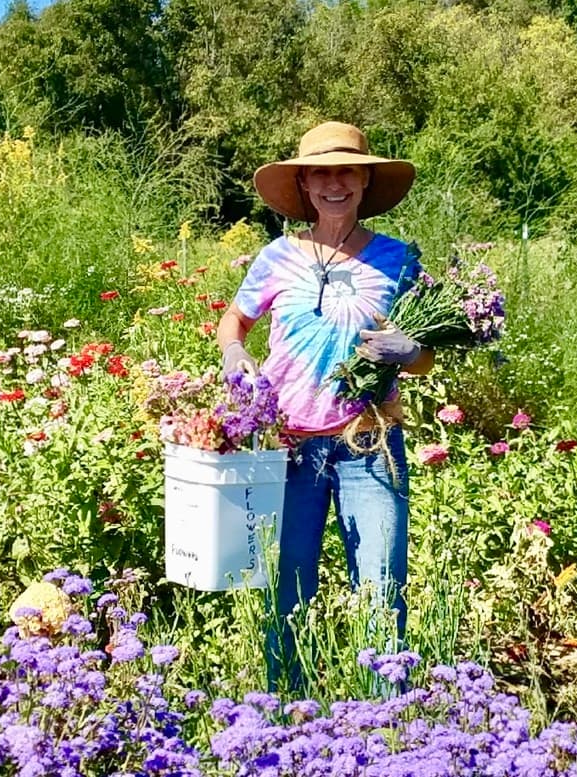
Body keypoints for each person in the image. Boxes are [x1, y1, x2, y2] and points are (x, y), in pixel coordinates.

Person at [216, 121, 434, 692]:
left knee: (381, 586)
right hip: (288, 450)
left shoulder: (398, 260)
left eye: (347, 172)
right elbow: (234, 319)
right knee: (288, 590)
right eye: (321, 173)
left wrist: (411, 352)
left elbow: (425, 358)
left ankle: (386, 719)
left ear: (365, 182)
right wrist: (235, 351)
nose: (334, 183)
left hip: (370, 443)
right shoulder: (277, 256)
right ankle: (286, 711)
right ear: (305, 184)